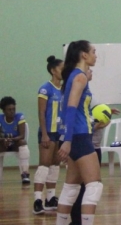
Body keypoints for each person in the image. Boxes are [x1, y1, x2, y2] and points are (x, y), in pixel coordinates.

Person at [55, 41, 102, 225]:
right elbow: (71, 109)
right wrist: (67, 141)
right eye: (93, 52)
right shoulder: (79, 77)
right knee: (94, 185)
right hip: (79, 137)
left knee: (71, 187)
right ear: (83, 55)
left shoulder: (77, 77)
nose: (95, 55)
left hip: (75, 137)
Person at [70, 90, 118, 225]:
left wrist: (106, 112)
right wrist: (97, 125)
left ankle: (79, 219)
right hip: (86, 148)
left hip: (94, 148)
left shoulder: (89, 95)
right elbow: (84, 127)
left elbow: (96, 112)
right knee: (86, 186)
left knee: (89, 186)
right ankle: (77, 220)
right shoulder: (78, 97)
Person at [33, 56, 64, 214]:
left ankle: (51, 199)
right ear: (53, 70)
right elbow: (41, 112)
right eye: (61, 68)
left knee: (55, 166)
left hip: (59, 133)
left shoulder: (64, 89)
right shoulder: (45, 88)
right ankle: (37, 200)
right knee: (44, 166)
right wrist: (44, 134)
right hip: (48, 132)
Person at [0, 96, 30, 184]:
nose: (12, 111)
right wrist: (3, 140)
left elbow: (22, 135)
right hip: (3, 144)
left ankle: (25, 174)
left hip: (15, 143)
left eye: (13, 108)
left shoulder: (19, 116)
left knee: (23, 143)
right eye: (9, 109)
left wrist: (11, 140)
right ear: (4, 110)